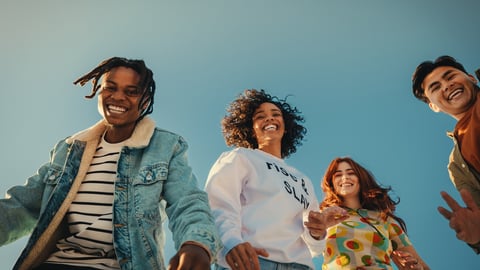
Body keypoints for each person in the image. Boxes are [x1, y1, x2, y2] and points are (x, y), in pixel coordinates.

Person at [0, 57, 219, 270]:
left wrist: (196, 244)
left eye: (131, 91)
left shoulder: (165, 147)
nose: (118, 97)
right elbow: (22, 206)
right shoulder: (69, 150)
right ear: (99, 92)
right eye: (110, 88)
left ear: (145, 101)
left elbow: (187, 202)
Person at [204, 89, 347, 270]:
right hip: (251, 262)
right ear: (251, 128)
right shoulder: (240, 157)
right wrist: (230, 243)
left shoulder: (302, 180)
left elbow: (314, 246)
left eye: (276, 114)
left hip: (300, 266)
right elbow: (218, 205)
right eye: (260, 116)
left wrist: (318, 232)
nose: (269, 119)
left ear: (285, 126)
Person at [411, 55, 480, 253]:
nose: (447, 85)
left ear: (471, 78)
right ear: (433, 106)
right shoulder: (456, 165)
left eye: (450, 77)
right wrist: (476, 236)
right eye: (435, 87)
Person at [319, 157, 430, 270]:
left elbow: (422, 266)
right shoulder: (324, 216)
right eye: (338, 175)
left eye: (351, 173)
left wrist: (415, 267)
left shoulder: (384, 219)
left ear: (361, 179)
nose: (345, 177)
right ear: (331, 183)